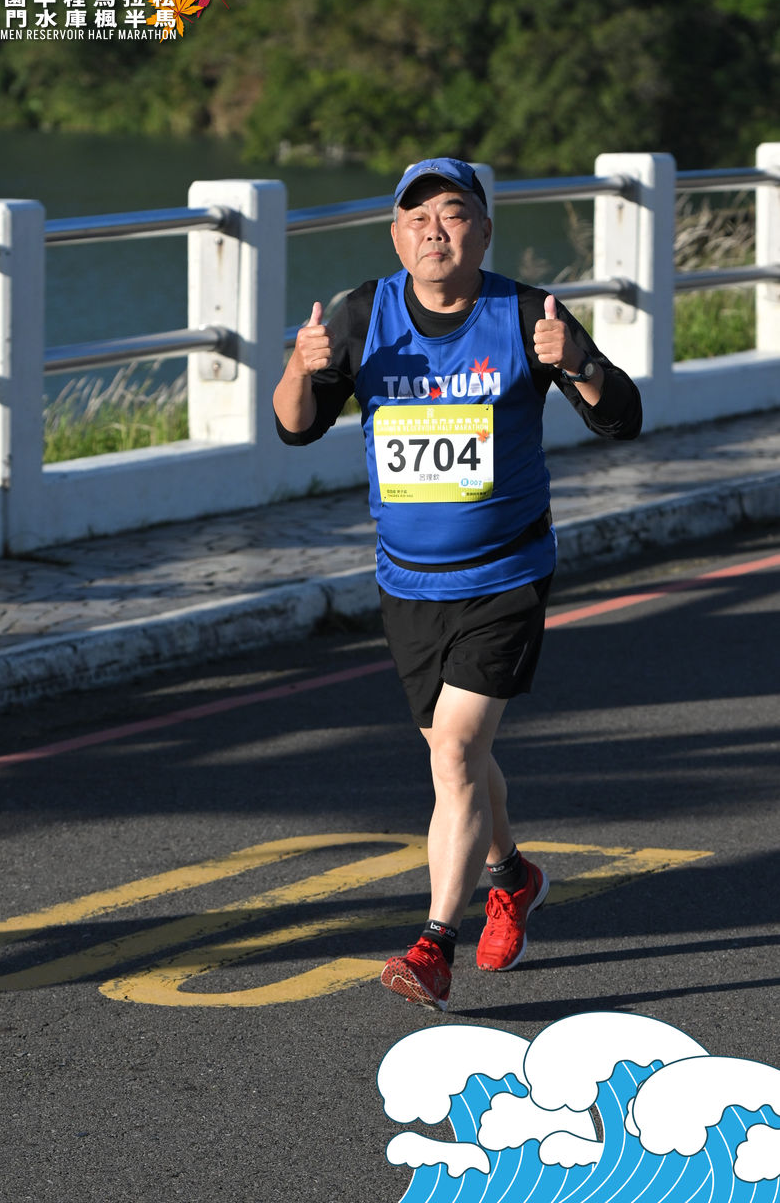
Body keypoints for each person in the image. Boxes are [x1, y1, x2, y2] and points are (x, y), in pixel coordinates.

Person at [273, 157, 642, 1011]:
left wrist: (578, 361)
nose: (432, 230)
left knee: (453, 752)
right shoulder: (363, 314)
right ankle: (512, 877)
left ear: (482, 229)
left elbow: (620, 418)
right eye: (416, 218)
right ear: (395, 236)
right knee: (458, 756)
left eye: (451, 213)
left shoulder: (524, 313)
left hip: (506, 572)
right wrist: (299, 365)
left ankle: (433, 943)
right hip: (407, 581)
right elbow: (296, 428)